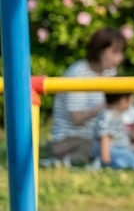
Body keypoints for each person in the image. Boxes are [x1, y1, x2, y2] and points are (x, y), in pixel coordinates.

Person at [47, 27, 126, 164]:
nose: (120, 58)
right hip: (71, 139)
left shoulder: (110, 73)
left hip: (97, 137)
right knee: (110, 149)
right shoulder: (78, 73)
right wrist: (109, 105)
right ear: (100, 51)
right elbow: (76, 117)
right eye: (115, 52)